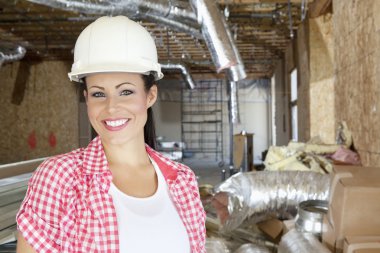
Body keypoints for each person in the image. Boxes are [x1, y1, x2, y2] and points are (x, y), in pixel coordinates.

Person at [16, 16, 206, 253]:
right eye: (98, 94)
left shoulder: (182, 180)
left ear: (150, 96)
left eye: (125, 91)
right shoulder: (60, 178)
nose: (111, 107)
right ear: (86, 99)